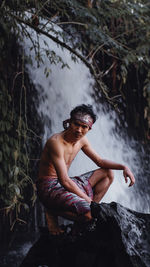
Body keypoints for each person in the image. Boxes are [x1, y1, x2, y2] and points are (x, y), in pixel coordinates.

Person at [37, 104, 135, 235]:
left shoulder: (82, 140)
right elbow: (64, 180)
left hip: (64, 183)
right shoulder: (56, 143)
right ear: (69, 122)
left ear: (89, 128)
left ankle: (83, 221)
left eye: (84, 127)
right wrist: (89, 202)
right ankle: (52, 211)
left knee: (107, 173)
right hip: (49, 187)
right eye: (76, 124)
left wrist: (124, 167)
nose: (79, 130)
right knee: (89, 213)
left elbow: (100, 162)